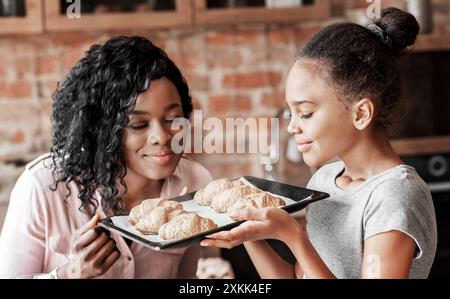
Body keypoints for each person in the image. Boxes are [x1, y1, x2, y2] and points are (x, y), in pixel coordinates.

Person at [201, 8, 437, 279]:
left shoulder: (394, 195)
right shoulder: (324, 181)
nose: (292, 126)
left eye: (306, 113)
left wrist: (294, 237)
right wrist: (247, 230)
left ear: (360, 114)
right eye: (292, 112)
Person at [0, 36, 212, 279]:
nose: (161, 137)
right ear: (102, 131)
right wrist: (70, 274)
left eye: (173, 119)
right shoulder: (42, 186)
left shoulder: (196, 185)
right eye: (139, 124)